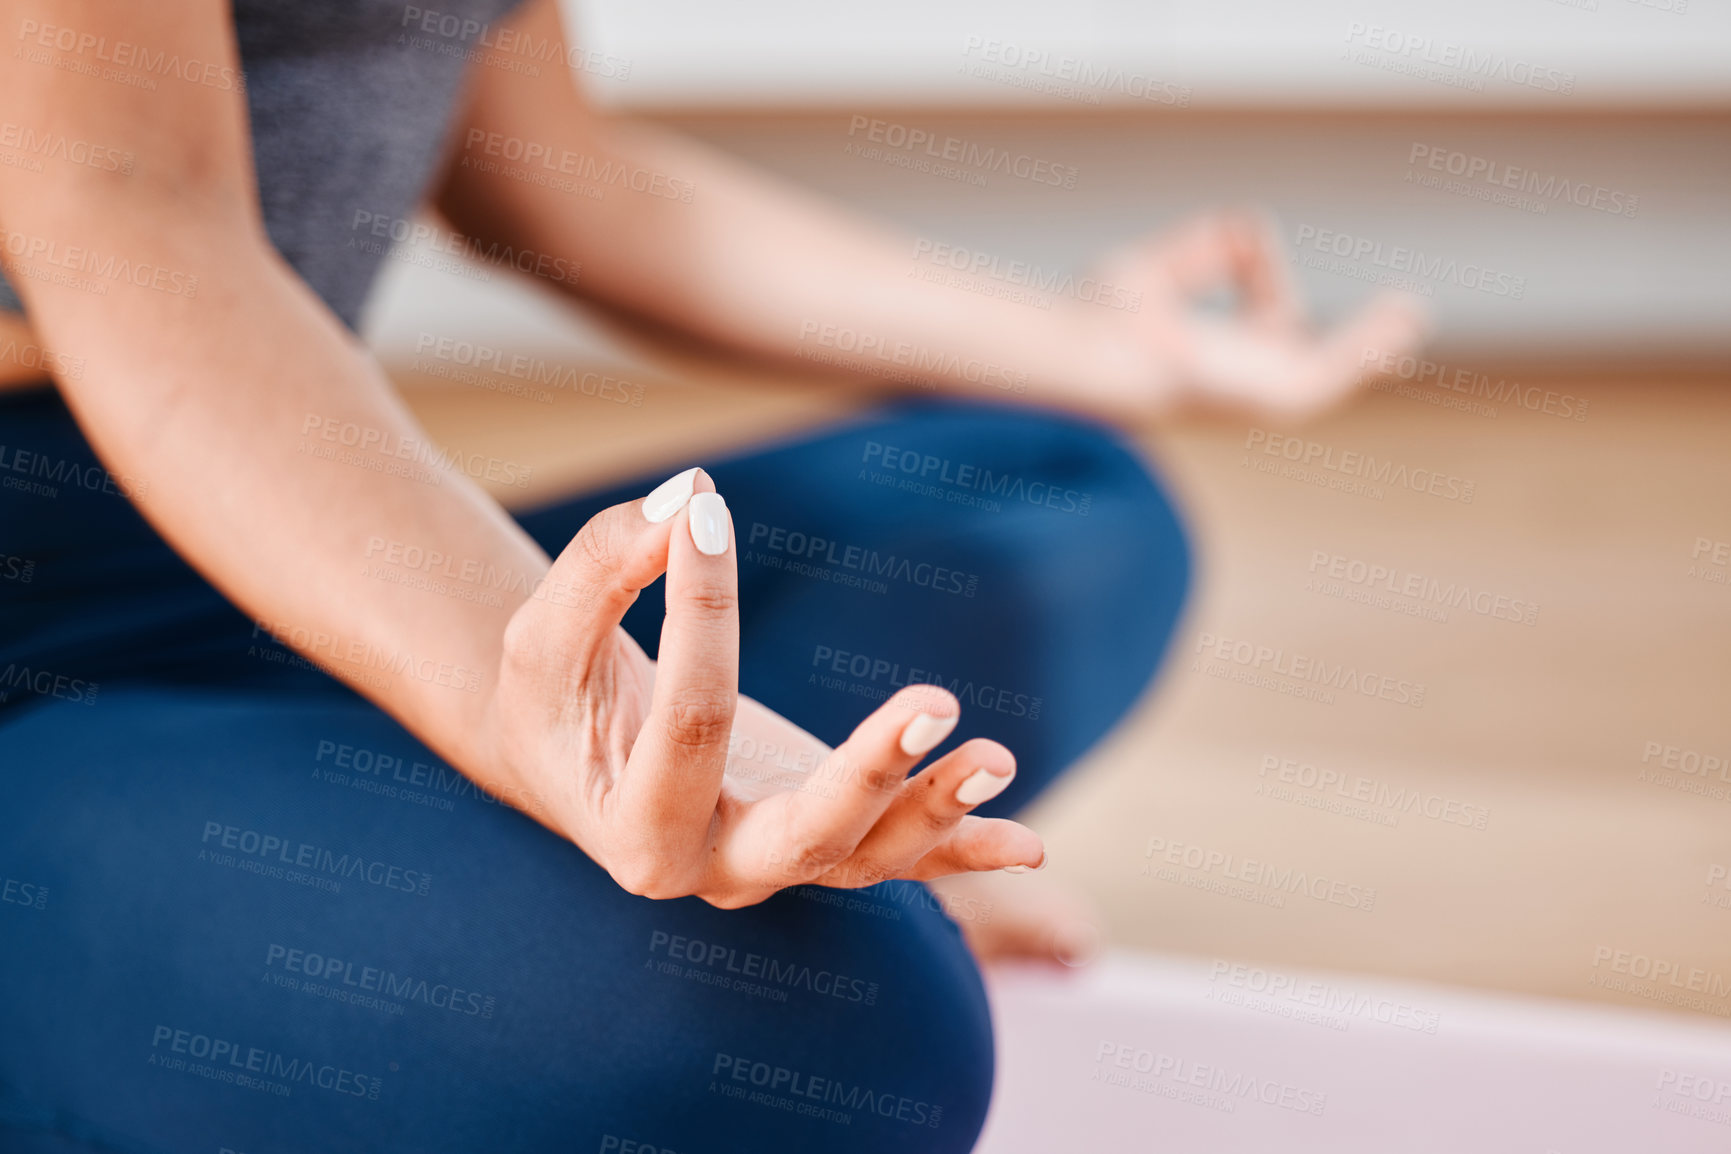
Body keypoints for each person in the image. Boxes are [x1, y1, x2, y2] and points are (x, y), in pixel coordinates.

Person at [0, 0, 1424, 1150]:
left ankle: (705, 820)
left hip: (263, 535)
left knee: (1053, 502)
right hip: (52, 587)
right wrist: (543, 711)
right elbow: (134, 210)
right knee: (839, 1032)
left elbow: (560, 176)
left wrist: (1112, 350)